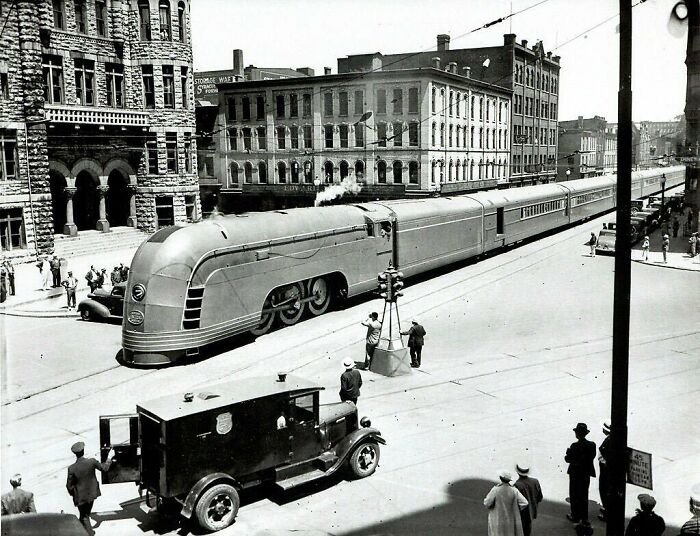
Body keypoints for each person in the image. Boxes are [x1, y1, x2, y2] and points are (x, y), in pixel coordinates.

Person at [66, 441, 113, 536]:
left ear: (75, 454)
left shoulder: (72, 468)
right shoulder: (92, 461)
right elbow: (105, 468)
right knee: (84, 514)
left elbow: (69, 486)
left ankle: (90, 533)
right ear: (83, 451)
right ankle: (82, 530)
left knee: (84, 516)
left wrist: (74, 494)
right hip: (92, 494)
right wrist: (109, 457)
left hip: (80, 497)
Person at [565, 422, 596, 524]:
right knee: (584, 494)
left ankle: (575, 515)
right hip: (586, 473)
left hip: (575, 473)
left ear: (577, 433)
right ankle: (584, 517)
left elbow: (568, 459)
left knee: (574, 495)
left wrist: (568, 454)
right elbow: (591, 457)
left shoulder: (574, 446)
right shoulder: (592, 445)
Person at [483, 469, 529, 536]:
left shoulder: (495, 490)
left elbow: (487, 503)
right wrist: (516, 509)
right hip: (510, 520)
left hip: (497, 520)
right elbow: (525, 503)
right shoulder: (514, 490)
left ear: (500, 478)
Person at [513, 464, 543, 536]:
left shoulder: (517, 485)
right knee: (527, 530)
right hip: (531, 510)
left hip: (522, 514)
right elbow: (540, 497)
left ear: (517, 472)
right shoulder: (535, 481)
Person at [598, 422, 612, 521]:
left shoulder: (608, 440)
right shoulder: (612, 438)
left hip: (605, 467)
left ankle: (607, 510)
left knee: (604, 488)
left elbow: (604, 452)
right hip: (606, 467)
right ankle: (607, 507)